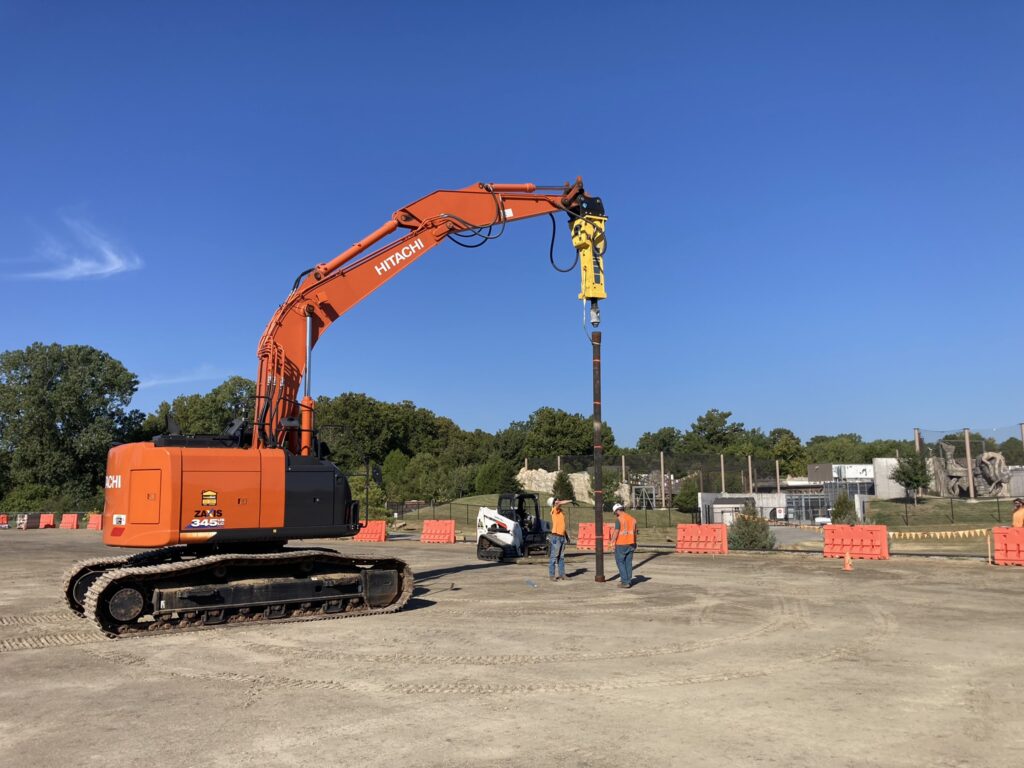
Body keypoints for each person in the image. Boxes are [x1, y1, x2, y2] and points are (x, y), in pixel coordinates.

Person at [611, 503, 637, 588]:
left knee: (620, 562)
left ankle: (625, 582)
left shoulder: (619, 519)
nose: (616, 515)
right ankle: (628, 580)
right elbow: (635, 532)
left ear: (617, 511)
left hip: (621, 544)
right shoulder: (633, 519)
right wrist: (635, 542)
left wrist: (612, 542)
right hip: (631, 543)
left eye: (615, 513)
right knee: (628, 563)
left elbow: (616, 531)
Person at [548, 499, 571, 581]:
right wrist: (568, 501)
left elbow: (562, 526)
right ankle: (552, 575)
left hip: (562, 537)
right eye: (556, 501)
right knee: (554, 557)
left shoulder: (561, 513)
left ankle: (562, 575)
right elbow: (558, 504)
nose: (558, 501)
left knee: (561, 557)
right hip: (556, 537)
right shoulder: (554, 510)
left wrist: (567, 537)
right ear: (553, 503)